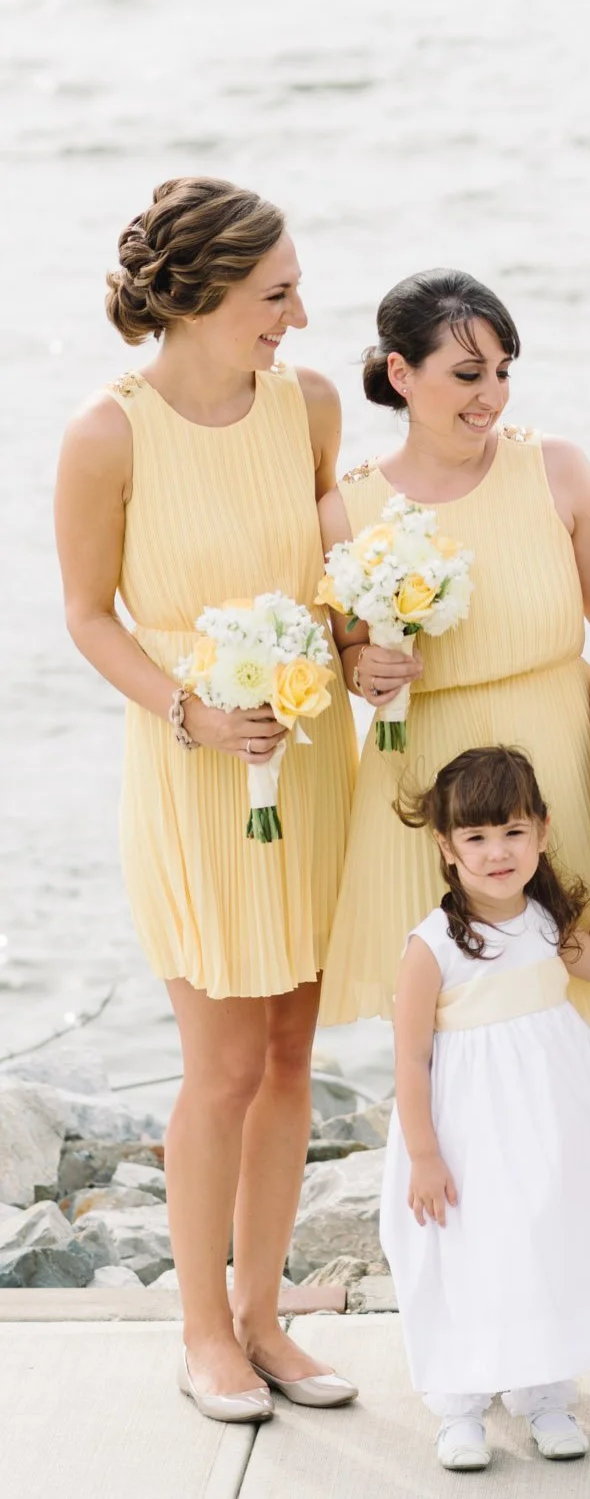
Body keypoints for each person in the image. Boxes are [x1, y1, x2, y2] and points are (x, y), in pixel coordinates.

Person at [53, 177, 359, 1419]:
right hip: (191, 766)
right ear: (201, 296)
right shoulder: (107, 434)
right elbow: (88, 615)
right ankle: (202, 1335)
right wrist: (188, 705)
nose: (298, 312)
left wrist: (364, 639)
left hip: (314, 759)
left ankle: (266, 1317)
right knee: (221, 1063)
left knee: (291, 1053)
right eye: (276, 293)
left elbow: (340, 570)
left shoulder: (313, 406)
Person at [318, 270, 590, 1028]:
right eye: (467, 374)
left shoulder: (555, 466)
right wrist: (368, 669)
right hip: (427, 773)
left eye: (502, 372)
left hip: (559, 746)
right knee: (449, 1010)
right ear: (401, 372)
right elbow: (348, 656)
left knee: (576, 988)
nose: (490, 394)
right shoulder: (347, 507)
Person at [379, 747, 590, 1474]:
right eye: (476, 838)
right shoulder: (433, 946)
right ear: (446, 849)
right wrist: (424, 1152)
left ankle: (545, 1392)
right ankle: (460, 1405)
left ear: (543, 833)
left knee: (549, 1235)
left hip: (553, 1112)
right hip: (468, 1123)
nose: (496, 853)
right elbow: (411, 1056)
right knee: (476, 1247)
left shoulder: (546, 919)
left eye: (512, 832)